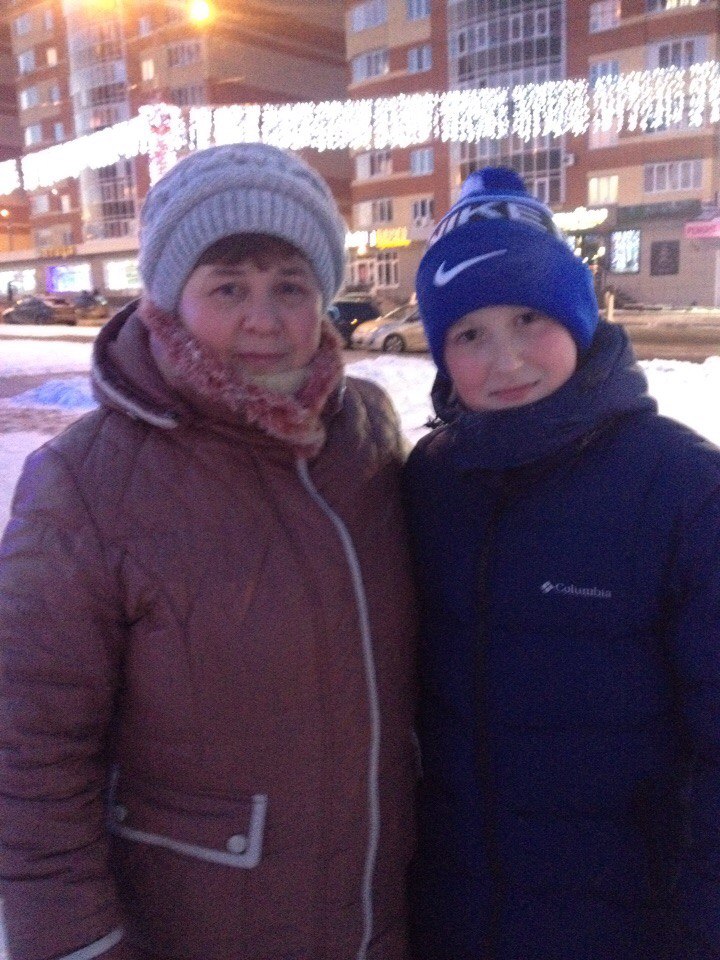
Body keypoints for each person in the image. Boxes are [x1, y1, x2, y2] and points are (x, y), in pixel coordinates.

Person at [0, 143, 417, 960]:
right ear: (169, 299)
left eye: (290, 286)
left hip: (376, 924)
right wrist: (78, 946)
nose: (265, 319)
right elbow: (28, 754)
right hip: (194, 928)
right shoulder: (86, 483)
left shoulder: (363, 437)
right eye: (229, 287)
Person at [403, 167, 720, 960]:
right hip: (455, 916)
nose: (506, 360)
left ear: (577, 316)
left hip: (629, 924)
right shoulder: (428, 485)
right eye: (469, 335)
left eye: (528, 318)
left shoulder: (682, 490)